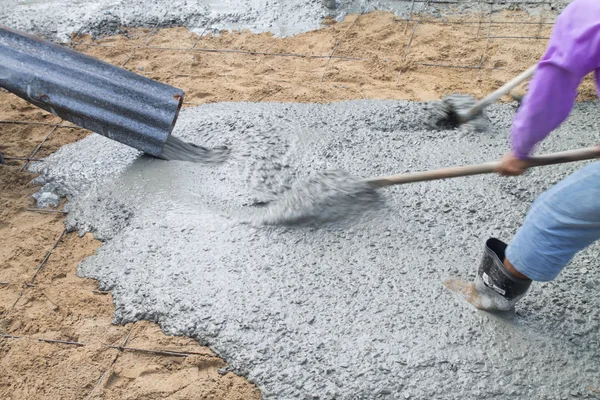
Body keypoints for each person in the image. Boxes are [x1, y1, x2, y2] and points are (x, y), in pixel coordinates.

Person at [447, 0, 600, 311]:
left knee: (554, 214)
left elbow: (550, 95)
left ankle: (490, 294)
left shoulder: (588, 16)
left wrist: (520, 149)